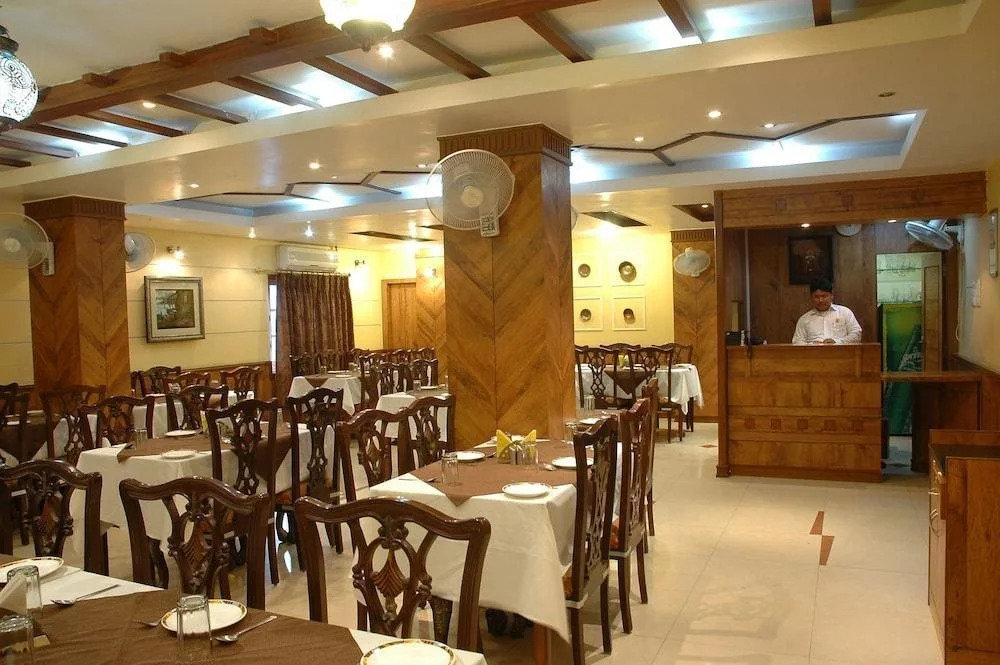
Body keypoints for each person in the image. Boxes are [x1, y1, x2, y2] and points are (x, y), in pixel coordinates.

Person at [792, 278, 862, 344]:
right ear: (811, 297)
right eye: (816, 297)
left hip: (840, 351)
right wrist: (812, 345)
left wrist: (837, 342)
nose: (820, 300)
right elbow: (797, 341)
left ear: (831, 295)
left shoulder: (845, 312)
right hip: (814, 352)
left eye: (824, 296)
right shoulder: (804, 319)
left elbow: (856, 334)